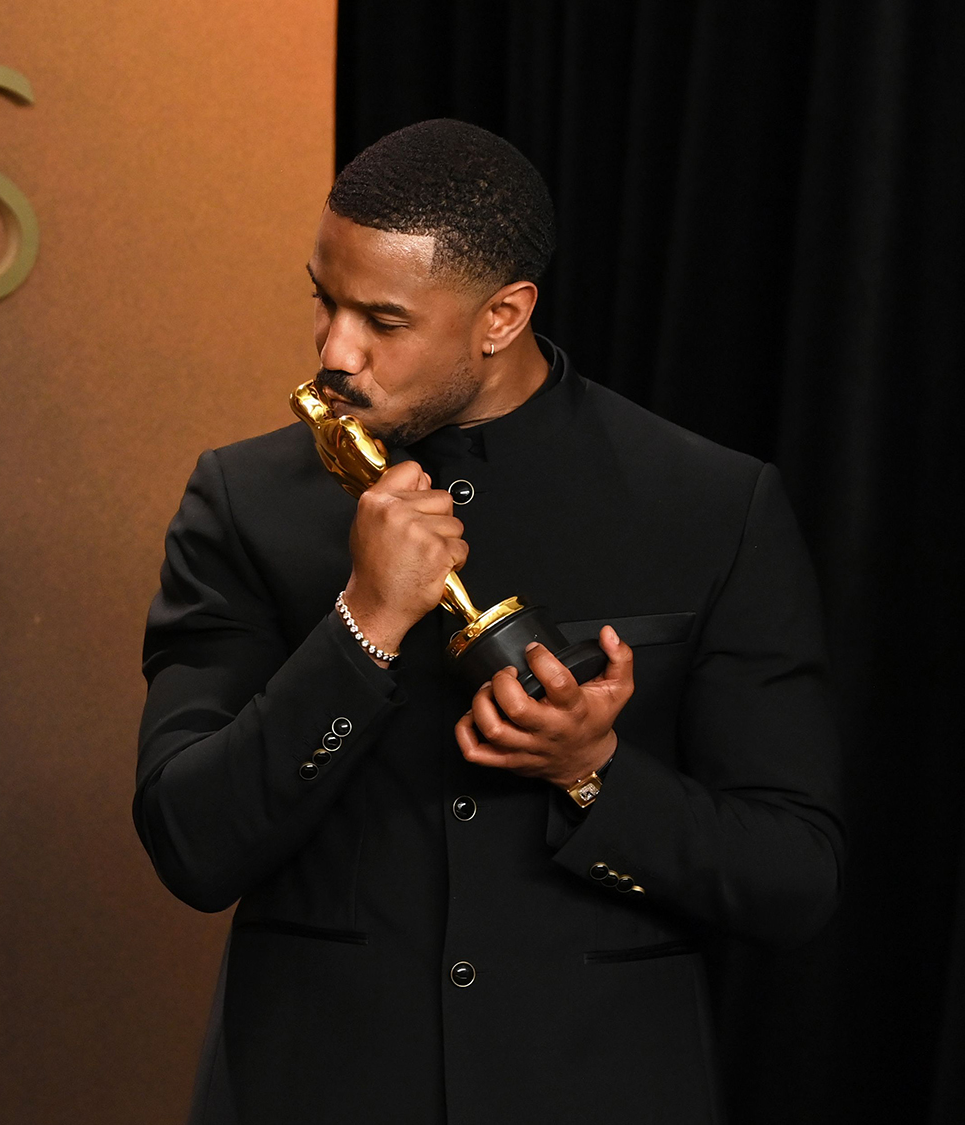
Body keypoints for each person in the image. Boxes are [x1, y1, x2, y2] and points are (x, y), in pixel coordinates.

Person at [134, 119, 842, 1124]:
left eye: (380, 320)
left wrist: (589, 773)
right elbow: (191, 845)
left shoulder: (709, 506)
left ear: (501, 316)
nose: (335, 351)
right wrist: (361, 623)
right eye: (323, 302)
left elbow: (792, 877)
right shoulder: (241, 500)